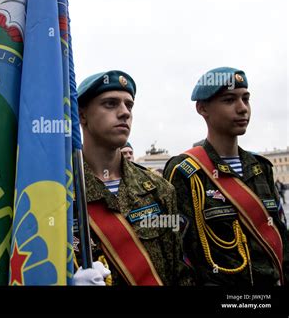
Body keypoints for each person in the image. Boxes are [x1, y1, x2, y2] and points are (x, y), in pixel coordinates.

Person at [163, 67, 289, 285]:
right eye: (230, 100)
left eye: (246, 99)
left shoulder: (261, 167)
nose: (242, 109)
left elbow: (281, 238)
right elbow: (178, 253)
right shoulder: (184, 171)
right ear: (202, 108)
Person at [72, 70, 194, 286]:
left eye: (129, 105)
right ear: (82, 115)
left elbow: (179, 271)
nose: (124, 113)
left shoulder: (159, 189)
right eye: (110, 104)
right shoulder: (61, 192)